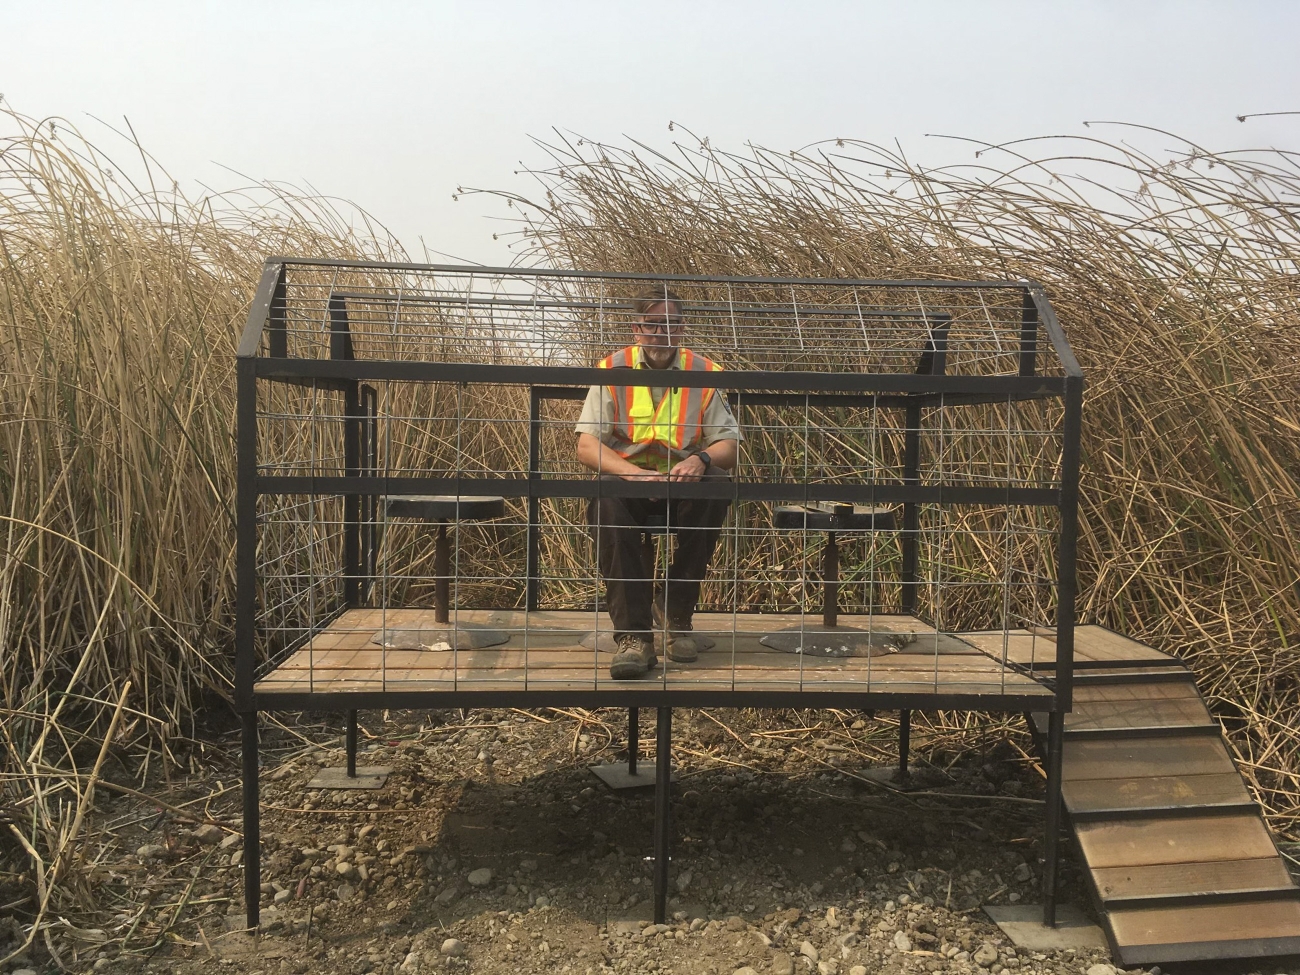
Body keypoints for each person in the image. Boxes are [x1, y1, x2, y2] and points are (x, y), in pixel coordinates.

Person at [575, 288, 741, 680]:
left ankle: (675, 613)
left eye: (670, 324)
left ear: (682, 328)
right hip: (629, 479)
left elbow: (729, 445)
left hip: (682, 480)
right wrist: (632, 474)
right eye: (652, 324)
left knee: (717, 485)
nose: (661, 333)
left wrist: (700, 460)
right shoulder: (611, 370)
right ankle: (634, 638)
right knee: (606, 499)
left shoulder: (705, 373)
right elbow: (586, 445)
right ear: (636, 329)